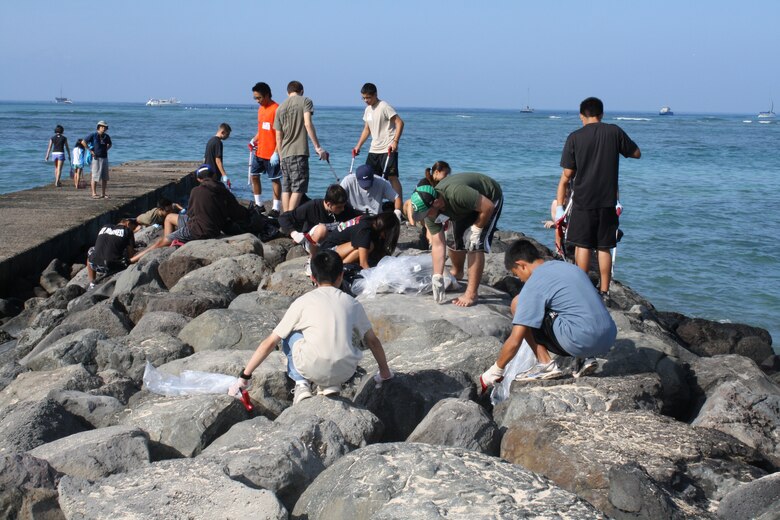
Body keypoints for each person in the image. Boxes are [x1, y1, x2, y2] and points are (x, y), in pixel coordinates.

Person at [229, 249, 394, 404]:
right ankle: (330, 386)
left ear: (313, 278)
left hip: (311, 367)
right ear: (341, 276)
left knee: (290, 334)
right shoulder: (352, 303)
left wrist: (244, 377)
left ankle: (301, 385)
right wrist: (384, 372)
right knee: (344, 332)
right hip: (346, 371)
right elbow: (372, 341)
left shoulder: (302, 302)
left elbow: (270, 342)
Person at [479, 239, 617, 389]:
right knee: (566, 305)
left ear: (521, 265)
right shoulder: (570, 267)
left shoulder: (535, 282)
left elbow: (515, 340)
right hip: (608, 338)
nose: (520, 279)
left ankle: (545, 364)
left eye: (516, 273)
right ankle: (585, 358)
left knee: (518, 304)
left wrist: (495, 370)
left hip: (580, 340)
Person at [556, 97, 641, 299]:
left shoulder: (575, 137)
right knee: (605, 247)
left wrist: (560, 206)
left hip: (583, 199)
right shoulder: (614, 132)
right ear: (602, 114)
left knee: (583, 245)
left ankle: (582, 290)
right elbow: (636, 153)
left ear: (581, 116)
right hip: (608, 200)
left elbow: (568, 174)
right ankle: (604, 292)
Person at [407, 172, 503, 307]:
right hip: (464, 206)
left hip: (489, 198)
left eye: (427, 213)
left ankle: (472, 294)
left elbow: (488, 207)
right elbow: (438, 244)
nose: (427, 216)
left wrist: (477, 228)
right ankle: (457, 272)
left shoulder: (457, 193)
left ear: (437, 202)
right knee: (453, 240)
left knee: (473, 243)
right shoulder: (430, 212)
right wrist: (437, 276)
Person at [131, 165, 248, 262]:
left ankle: (132, 260)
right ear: (214, 175)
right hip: (214, 227)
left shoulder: (195, 191)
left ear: (199, 179)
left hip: (198, 230)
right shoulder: (223, 190)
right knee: (169, 217)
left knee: (159, 243)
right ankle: (169, 241)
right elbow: (236, 211)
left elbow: (191, 213)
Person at [274, 80, 329, 212]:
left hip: (285, 153)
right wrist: (317, 147)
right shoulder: (305, 101)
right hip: (299, 152)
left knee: (286, 187)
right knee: (298, 187)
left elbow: (278, 136)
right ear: (302, 91)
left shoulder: (280, 108)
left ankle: (285, 218)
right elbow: (308, 124)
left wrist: (280, 156)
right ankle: (290, 218)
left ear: (287, 93)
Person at [352, 83, 405, 200]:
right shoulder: (367, 110)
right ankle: (374, 205)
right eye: (363, 98)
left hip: (388, 148)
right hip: (374, 149)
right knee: (371, 177)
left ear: (375, 95)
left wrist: (395, 141)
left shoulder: (384, 106)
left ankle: (398, 207)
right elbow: (367, 129)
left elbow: (399, 122)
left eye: (368, 97)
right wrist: (358, 146)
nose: (366, 100)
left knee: (392, 177)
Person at [308, 212, 400, 270]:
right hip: (327, 253)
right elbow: (363, 264)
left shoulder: (369, 220)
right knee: (368, 246)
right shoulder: (365, 230)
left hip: (334, 249)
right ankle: (341, 268)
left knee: (368, 246)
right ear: (385, 229)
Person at [248, 82, 282, 217]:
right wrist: (253, 139)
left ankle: (276, 208)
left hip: (272, 152)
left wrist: (276, 153)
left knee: (275, 179)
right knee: (254, 176)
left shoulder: (276, 109)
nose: (257, 101)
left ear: (267, 95)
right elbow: (261, 129)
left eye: (259, 98)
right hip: (259, 150)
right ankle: (259, 204)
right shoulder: (260, 109)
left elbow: (281, 133)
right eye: (255, 98)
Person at [86, 217, 139, 289]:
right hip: (112, 267)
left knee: (91, 251)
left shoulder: (105, 227)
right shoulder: (128, 231)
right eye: (133, 227)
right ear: (128, 223)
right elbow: (131, 255)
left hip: (94, 265)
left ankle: (92, 283)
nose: (133, 229)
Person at [84, 121, 112, 199]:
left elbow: (110, 144)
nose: (104, 128)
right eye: (102, 127)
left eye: (105, 127)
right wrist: (90, 150)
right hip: (96, 158)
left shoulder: (106, 136)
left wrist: (106, 149)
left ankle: (103, 193)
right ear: (98, 127)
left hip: (104, 157)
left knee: (105, 177)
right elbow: (83, 142)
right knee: (95, 176)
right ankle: (94, 193)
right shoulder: (93, 135)